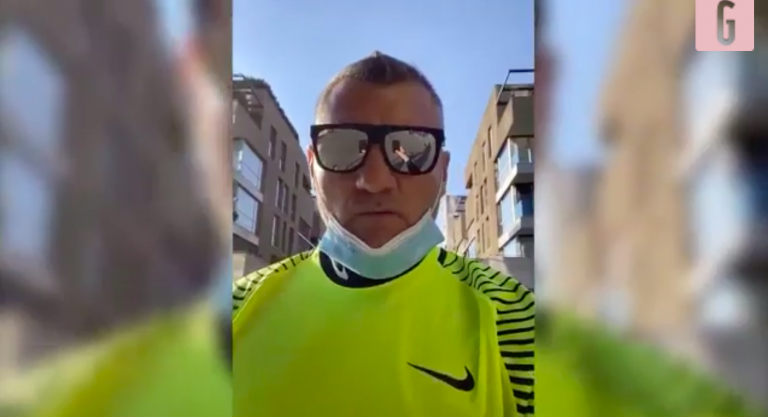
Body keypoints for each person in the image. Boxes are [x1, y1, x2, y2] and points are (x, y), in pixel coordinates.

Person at [233, 52, 535, 417]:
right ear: (312, 168)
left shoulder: (515, 318)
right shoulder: (235, 311)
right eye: (342, 149)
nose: (374, 181)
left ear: (442, 171)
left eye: (411, 150)